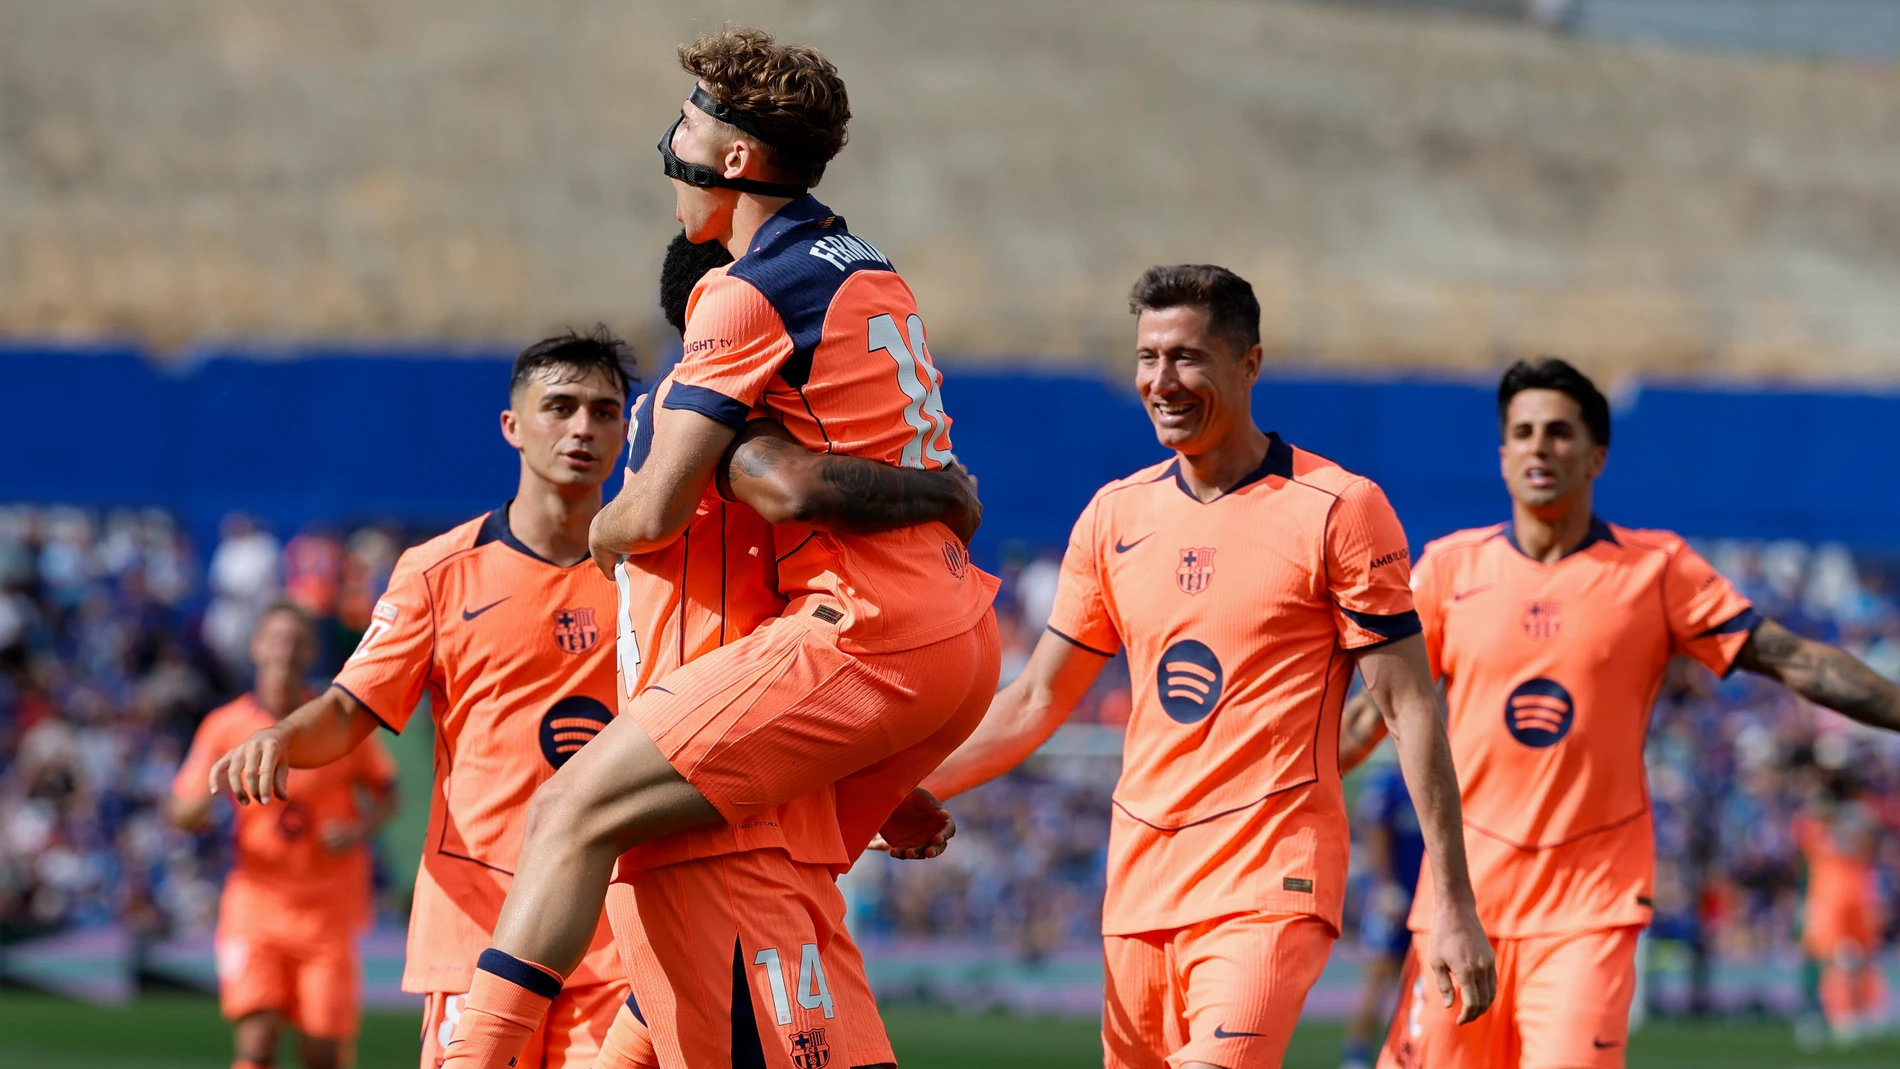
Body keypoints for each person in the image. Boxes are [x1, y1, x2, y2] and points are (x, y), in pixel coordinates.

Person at [444, 27, 1003, 1069]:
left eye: (686, 125)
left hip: (863, 635)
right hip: (938, 631)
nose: (670, 146)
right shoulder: (865, 270)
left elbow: (690, 508)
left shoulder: (737, 306)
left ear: (735, 159)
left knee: (572, 810)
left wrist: (603, 532)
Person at [921, 264, 1496, 1069]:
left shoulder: (1339, 508)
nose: (1162, 380)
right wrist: (908, 788)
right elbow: (1035, 699)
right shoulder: (1114, 516)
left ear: (1249, 364)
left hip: (1271, 882)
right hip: (1139, 893)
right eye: (1147, 356)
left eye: (1186, 356)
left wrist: (1453, 901)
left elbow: (1409, 709)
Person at [1342, 357, 1900, 1068]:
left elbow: (1796, 659)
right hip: (1462, 904)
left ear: (1596, 454)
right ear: (1503, 454)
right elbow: (1367, 722)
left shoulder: (1656, 571)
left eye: (1559, 431)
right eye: (1523, 432)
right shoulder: (1450, 570)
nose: (1540, 447)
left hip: (1589, 908)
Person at [589, 230, 979, 1069]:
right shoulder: (704, 422)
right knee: (565, 820)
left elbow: (792, 648)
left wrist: (874, 770)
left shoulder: (707, 431)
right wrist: (942, 493)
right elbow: (794, 492)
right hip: (726, 821)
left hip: (763, 814)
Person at [169, 600, 397, 1069]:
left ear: (311, 651)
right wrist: (204, 802)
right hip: (257, 903)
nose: (285, 650)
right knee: (258, 1035)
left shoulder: (334, 721)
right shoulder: (225, 726)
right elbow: (181, 809)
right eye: (276, 638)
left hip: (328, 910)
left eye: (296, 641)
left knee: (321, 1052)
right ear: (256, 647)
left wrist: (357, 830)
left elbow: (388, 795)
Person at [1338, 709, 1425, 1069]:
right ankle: (1356, 1058)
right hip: (1391, 900)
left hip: (1423, 900)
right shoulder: (1388, 783)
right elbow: (1375, 836)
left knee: (1418, 985)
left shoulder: (1430, 781)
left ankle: (1410, 1055)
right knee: (1377, 979)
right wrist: (1385, 887)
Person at [1793, 765, 1886, 1046]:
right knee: (1832, 957)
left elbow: (1867, 848)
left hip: (1854, 893)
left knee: (1856, 955)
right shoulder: (1815, 820)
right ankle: (1834, 1014)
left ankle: (1863, 1011)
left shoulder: (1859, 815)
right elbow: (1805, 847)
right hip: (1828, 897)